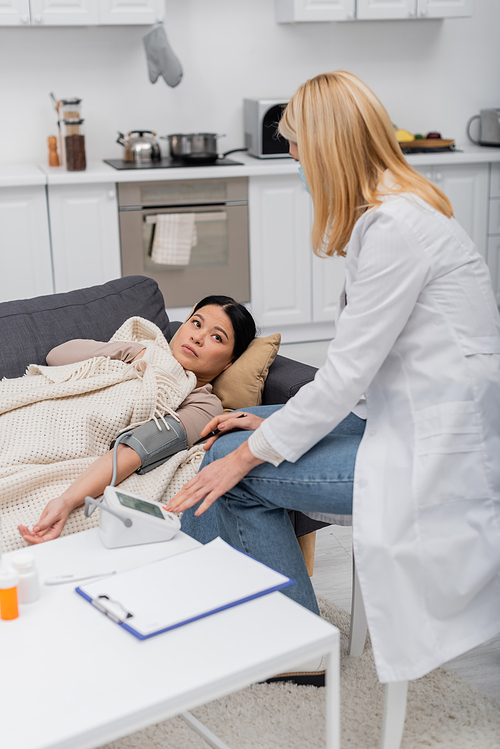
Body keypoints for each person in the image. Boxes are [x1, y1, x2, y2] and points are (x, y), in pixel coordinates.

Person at [167, 71, 500, 684]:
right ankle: (249, 616)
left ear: (326, 146)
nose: (291, 156)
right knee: (234, 442)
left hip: (437, 454)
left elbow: (346, 377)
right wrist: (265, 419)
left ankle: (296, 650)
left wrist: (248, 455)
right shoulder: (397, 214)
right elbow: (375, 384)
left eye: (296, 143)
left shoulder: (396, 229)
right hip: (413, 423)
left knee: (237, 476)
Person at [17, 295, 256, 546]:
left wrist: (66, 501)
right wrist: (137, 353)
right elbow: (57, 356)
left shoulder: (205, 405)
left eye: (216, 337)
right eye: (196, 323)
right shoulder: (143, 350)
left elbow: (137, 448)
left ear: (230, 361)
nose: (198, 337)